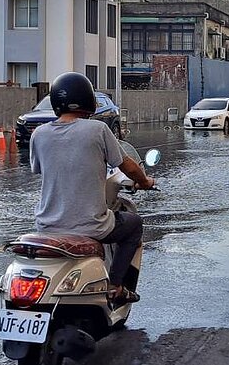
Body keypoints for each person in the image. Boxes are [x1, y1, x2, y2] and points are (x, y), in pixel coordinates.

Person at [29, 72, 155, 306]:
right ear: (88, 101)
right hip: (91, 226)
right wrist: (145, 181)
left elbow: (39, 169)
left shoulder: (39, 134)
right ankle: (116, 286)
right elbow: (127, 166)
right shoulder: (98, 130)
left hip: (46, 226)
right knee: (133, 225)